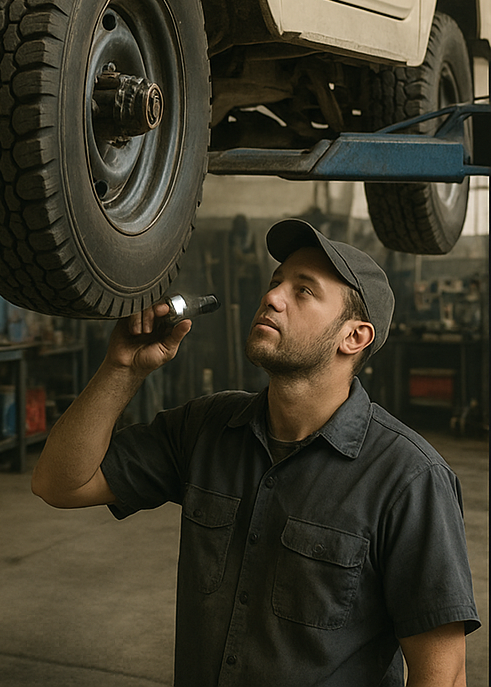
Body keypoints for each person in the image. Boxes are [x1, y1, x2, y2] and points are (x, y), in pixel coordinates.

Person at [31, 218, 480, 687]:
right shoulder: (207, 428)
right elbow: (60, 483)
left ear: (354, 337)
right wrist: (121, 367)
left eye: (303, 291)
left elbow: (443, 676)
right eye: (275, 282)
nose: (272, 297)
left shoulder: (408, 477)